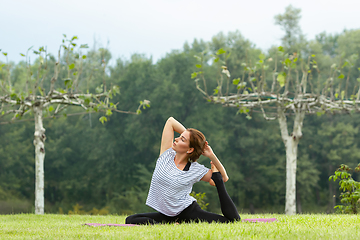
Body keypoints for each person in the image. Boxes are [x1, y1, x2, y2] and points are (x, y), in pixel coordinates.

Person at [125, 117, 240, 224]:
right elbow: (170, 121)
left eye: (182, 139)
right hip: (167, 215)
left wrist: (211, 155)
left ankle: (171, 224)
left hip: (189, 212)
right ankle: (170, 224)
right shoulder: (166, 154)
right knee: (131, 219)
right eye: (180, 137)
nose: (176, 138)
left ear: (190, 149)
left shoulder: (195, 169)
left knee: (231, 220)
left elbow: (223, 178)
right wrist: (193, 139)